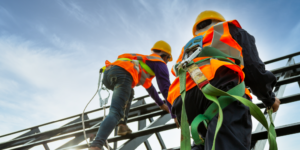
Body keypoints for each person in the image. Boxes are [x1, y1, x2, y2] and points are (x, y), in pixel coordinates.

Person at [167, 10, 281, 150]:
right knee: (226, 141)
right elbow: (253, 68)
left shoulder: (188, 48)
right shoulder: (228, 29)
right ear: (219, 21)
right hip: (221, 87)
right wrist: (269, 98)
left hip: (183, 102)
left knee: (206, 142)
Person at [89, 40, 176, 150]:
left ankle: (122, 125)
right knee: (115, 112)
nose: (166, 62)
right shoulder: (159, 62)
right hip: (123, 73)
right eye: (167, 60)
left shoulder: (142, 64)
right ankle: (96, 145)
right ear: (165, 56)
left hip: (108, 73)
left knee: (129, 92)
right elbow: (165, 88)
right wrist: (174, 112)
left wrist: (161, 105)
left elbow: (151, 89)